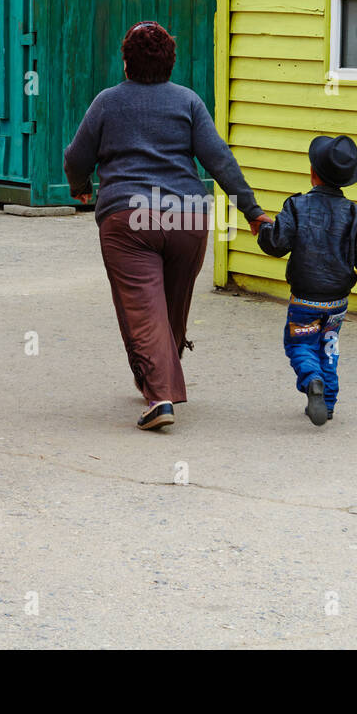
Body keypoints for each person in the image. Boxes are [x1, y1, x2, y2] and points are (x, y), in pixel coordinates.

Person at [64, 21, 271, 431]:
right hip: (187, 217)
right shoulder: (188, 102)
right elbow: (219, 161)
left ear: (126, 62)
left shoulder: (107, 102)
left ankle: (159, 397)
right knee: (171, 307)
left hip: (129, 218)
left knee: (143, 307)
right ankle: (157, 372)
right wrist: (252, 210)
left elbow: (75, 156)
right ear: (171, 63)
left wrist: (80, 187)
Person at [255, 135, 357, 426]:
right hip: (337, 303)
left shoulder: (297, 207)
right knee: (329, 347)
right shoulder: (355, 214)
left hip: (305, 299)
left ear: (312, 173)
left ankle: (312, 379)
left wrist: (263, 229)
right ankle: (327, 404)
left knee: (300, 345)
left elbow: (277, 242)